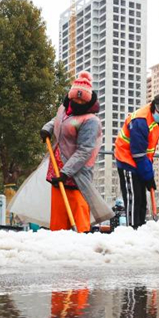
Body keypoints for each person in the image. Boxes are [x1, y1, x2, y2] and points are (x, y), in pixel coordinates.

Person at [40, 71, 113, 232]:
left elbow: (85, 150)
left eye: (82, 99)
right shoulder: (65, 109)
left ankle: (82, 237)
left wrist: (66, 172)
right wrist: (48, 128)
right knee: (59, 209)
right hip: (57, 167)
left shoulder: (90, 121)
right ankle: (58, 236)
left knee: (77, 205)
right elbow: (58, 119)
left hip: (76, 173)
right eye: (76, 98)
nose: (78, 102)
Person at [113, 93, 159, 227]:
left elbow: (147, 151)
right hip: (127, 160)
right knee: (134, 199)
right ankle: (132, 229)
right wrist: (148, 176)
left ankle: (140, 227)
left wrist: (148, 174)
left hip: (140, 161)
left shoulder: (155, 120)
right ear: (153, 107)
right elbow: (138, 153)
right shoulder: (140, 121)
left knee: (141, 200)